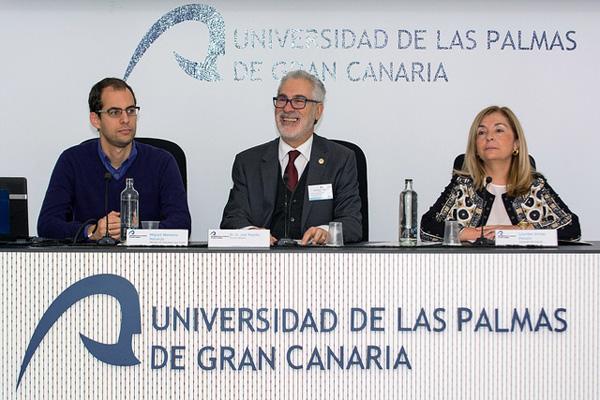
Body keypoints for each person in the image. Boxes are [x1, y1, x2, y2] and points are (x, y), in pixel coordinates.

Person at [38, 77, 191, 241]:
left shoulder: (162, 162)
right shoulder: (72, 161)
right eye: (115, 112)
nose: (126, 119)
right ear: (96, 119)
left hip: (145, 263)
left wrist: (134, 231)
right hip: (90, 264)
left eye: (131, 110)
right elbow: (47, 224)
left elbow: (182, 225)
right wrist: (92, 231)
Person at [220, 70, 362, 245]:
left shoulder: (340, 159)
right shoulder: (248, 162)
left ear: (318, 111)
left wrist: (325, 233)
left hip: (318, 265)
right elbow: (232, 220)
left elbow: (352, 224)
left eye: (299, 101)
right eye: (282, 100)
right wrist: (252, 235)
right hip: (262, 266)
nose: (287, 108)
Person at [420, 105, 580, 242]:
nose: (489, 137)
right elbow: (426, 228)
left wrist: (518, 230)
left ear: (516, 144)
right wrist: (473, 233)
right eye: (481, 133)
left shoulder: (534, 186)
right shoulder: (463, 185)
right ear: (475, 147)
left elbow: (572, 228)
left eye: (499, 130)